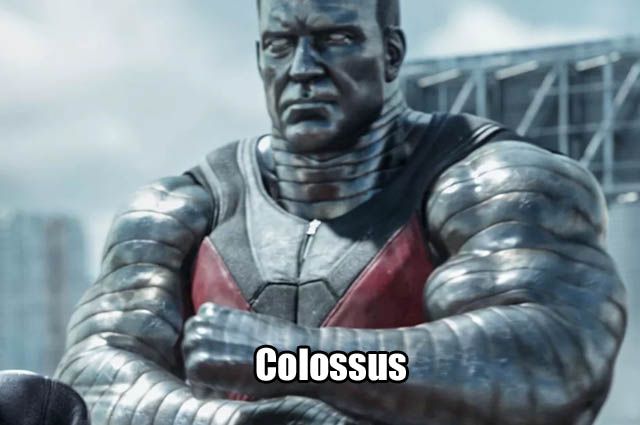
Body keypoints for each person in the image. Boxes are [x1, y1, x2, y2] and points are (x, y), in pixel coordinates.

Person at [55, 1, 627, 424]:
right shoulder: (182, 209)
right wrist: (233, 421)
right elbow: (91, 379)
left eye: (335, 39)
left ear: (391, 53)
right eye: (282, 44)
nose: (303, 67)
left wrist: (291, 361)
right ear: (260, 58)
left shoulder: (490, 181)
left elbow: (550, 361)